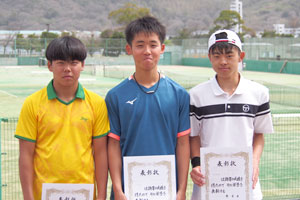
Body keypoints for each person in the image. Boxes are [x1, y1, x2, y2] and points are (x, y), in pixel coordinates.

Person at [105, 16, 190, 200]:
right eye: (140, 45)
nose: (147, 51)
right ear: (129, 49)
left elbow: (183, 144)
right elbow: (113, 145)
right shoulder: (115, 96)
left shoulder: (180, 94)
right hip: (128, 192)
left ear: (162, 48)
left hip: (167, 191)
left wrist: (181, 190)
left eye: (153, 44)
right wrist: (118, 190)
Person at [15, 36, 110, 200]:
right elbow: (25, 156)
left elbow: (101, 154)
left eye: (73, 62)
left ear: (82, 65)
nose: (67, 68)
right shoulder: (32, 104)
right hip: (43, 195)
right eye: (60, 63)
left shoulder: (97, 103)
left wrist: (101, 196)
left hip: (84, 194)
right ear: (49, 66)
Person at [189, 29, 274, 200]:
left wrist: (254, 163)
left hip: (246, 182)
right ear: (209, 57)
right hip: (208, 183)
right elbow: (194, 135)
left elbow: (258, 134)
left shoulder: (259, 93)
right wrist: (196, 165)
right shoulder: (196, 95)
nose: (223, 61)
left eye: (229, 55)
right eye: (217, 56)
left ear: (240, 56)